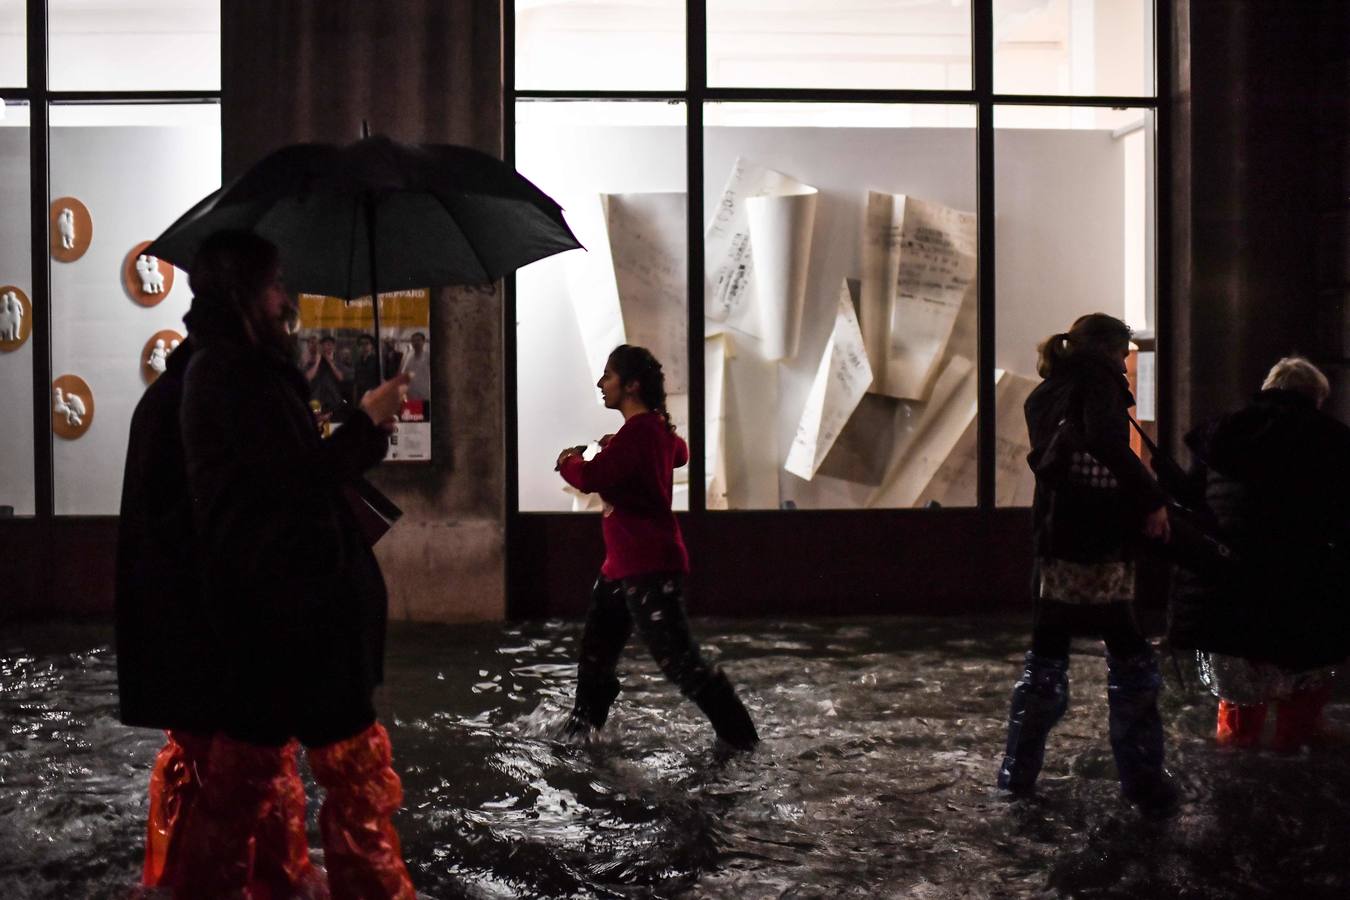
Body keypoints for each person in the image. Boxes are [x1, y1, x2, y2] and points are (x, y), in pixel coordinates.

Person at [171, 229, 416, 898]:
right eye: (276, 284)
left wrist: (363, 429)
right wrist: (366, 423)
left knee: (239, 782)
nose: (288, 298)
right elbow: (295, 481)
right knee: (357, 780)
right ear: (245, 292)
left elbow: (283, 473)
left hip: (266, 614)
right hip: (294, 615)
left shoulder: (232, 366)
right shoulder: (236, 373)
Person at [115, 335, 321, 896]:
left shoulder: (184, 396)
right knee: (241, 786)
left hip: (201, 644)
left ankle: (193, 879)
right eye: (274, 290)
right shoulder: (207, 404)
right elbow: (247, 522)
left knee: (226, 779)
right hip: (218, 642)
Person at [997, 313, 1177, 813]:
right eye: (1124, 354)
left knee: (1046, 658)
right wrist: (1151, 498)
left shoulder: (1047, 390)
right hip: (1098, 539)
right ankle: (1145, 786)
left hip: (1055, 538)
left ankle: (1017, 777)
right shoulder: (1098, 382)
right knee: (1131, 658)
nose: (1125, 364)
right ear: (1108, 350)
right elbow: (1105, 442)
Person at [556, 344, 759, 751]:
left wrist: (567, 461)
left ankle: (740, 737)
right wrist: (629, 438)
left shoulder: (642, 433)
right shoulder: (649, 432)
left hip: (647, 568)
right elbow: (678, 452)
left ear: (631, 385)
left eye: (608, 376)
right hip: (621, 567)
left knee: (679, 662)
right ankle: (582, 729)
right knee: (595, 654)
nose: (600, 383)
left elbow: (591, 476)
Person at [1170, 356, 1350, 751]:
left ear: (1269, 388)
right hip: (1303, 584)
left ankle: (1235, 742)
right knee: (1308, 671)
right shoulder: (1334, 440)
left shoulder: (1222, 432)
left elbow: (1195, 501)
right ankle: (1294, 743)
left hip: (1226, 586)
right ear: (1315, 399)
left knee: (1238, 683)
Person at [306, 334, 352, 417]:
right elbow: (307, 377)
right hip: (316, 403)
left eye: (330, 345)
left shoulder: (338, 364)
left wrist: (330, 362)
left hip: (334, 403)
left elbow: (341, 378)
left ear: (333, 347)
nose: (327, 347)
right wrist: (317, 361)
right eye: (325, 345)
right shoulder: (314, 364)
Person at [398, 331, 430, 402]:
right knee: (414, 413)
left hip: (426, 394)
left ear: (423, 341)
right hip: (412, 395)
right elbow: (403, 374)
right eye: (413, 341)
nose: (416, 343)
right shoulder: (408, 357)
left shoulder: (428, 356)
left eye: (418, 340)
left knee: (426, 412)